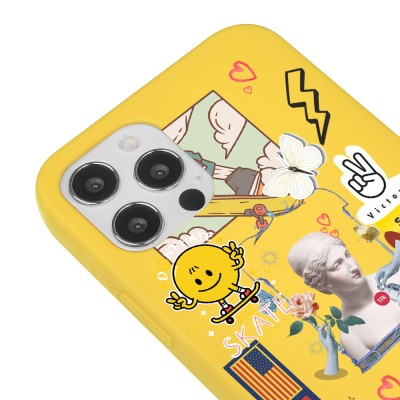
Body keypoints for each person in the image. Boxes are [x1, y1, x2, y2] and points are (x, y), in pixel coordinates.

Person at [288, 232, 400, 373]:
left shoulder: (395, 273)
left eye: (347, 255)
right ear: (323, 284)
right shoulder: (351, 336)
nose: (353, 266)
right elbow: (383, 375)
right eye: (337, 266)